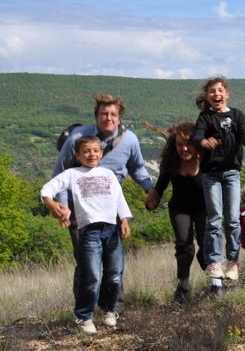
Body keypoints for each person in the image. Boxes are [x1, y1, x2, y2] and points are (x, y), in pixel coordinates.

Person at [53, 94, 154, 296]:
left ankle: (113, 306)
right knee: (86, 261)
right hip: (79, 210)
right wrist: (63, 206)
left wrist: (150, 189)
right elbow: (60, 172)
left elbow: (138, 168)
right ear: (96, 115)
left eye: (113, 114)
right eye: (103, 114)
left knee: (113, 259)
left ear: (120, 117)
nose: (108, 118)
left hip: (111, 208)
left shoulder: (129, 140)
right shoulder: (77, 138)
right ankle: (84, 310)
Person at [41, 136, 132, 335]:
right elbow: (47, 189)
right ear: (78, 155)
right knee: (91, 275)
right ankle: (84, 316)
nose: (92, 154)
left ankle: (109, 310)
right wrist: (51, 203)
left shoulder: (108, 173)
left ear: (101, 153)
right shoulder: (72, 174)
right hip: (89, 232)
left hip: (112, 229)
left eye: (95, 151)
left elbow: (119, 198)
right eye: (86, 151)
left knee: (115, 274)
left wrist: (124, 219)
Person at [192, 76, 245, 293]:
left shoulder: (237, 114)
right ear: (207, 96)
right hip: (211, 174)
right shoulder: (205, 117)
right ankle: (213, 262)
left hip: (231, 173)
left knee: (232, 219)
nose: (216, 94)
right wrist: (203, 142)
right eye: (212, 91)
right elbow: (198, 136)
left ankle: (231, 262)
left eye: (220, 90)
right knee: (214, 219)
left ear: (227, 94)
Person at [144, 121, 207, 302]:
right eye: (180, 144)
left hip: (203, 208)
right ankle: (183, 285)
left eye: (188, 144)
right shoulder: (171, 162)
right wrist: (152, 200)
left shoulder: (206, 161)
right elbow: (160, 187)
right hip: (180, 208)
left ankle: (215, 281)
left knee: (206, 245)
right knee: (184, 245)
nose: (184, 149)